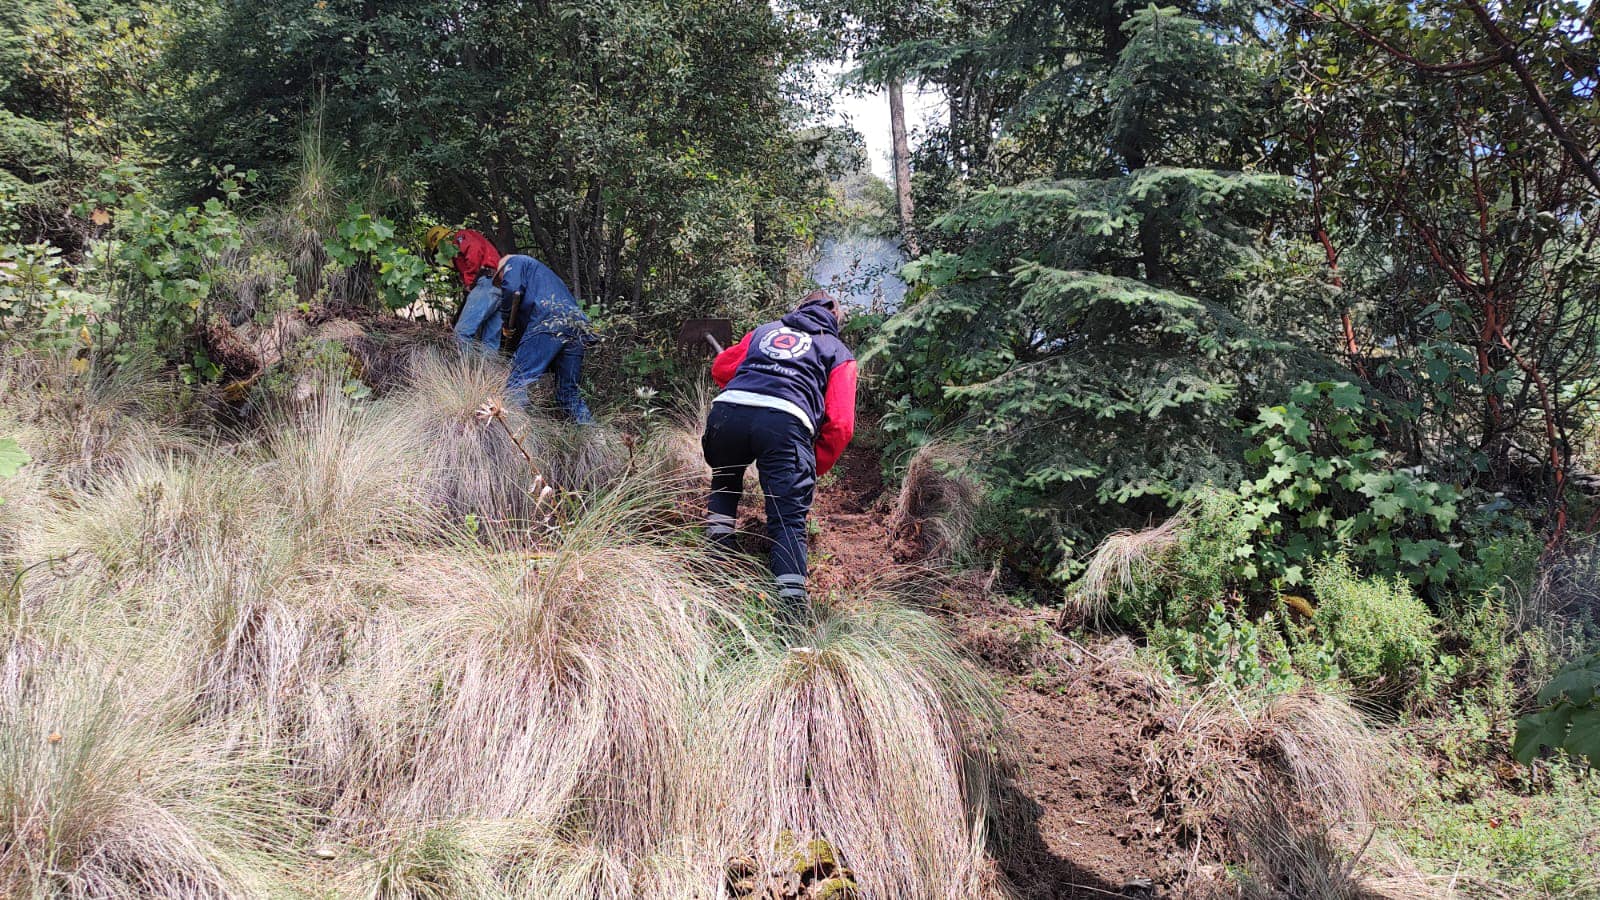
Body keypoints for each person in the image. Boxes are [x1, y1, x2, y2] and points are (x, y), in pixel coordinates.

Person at [702, 290, 857, 616]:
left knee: (726, 480)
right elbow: (841, 424)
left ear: (798, 308)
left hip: (727, 412)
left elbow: (721, 368)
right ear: (835, 318)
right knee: (787, 519)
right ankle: (791, 618)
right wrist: (812, 466)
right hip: (786, 424)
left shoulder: (764, 331)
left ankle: (716, 569)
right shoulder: (838, 352)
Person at [495, 253, 595, 424]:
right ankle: (596, 440)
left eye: (500, 280)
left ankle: (512, 435)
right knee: (568, 393)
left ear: (503, 269)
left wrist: (506, 322)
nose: (501, 285)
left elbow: (511, 289)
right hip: (576, 326)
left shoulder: (516, 262)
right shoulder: (544, 278)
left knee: (518, 381)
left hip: (548, 322)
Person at [425, 226, 503, 350]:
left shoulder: (460, 237)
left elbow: (475, 251)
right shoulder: (458, 253)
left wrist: (470, 283)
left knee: (461, 334)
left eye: (437, 251)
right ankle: (488, 369)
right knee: (490, 342)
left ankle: (464, 368)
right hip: (500, 286)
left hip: (486, 283)